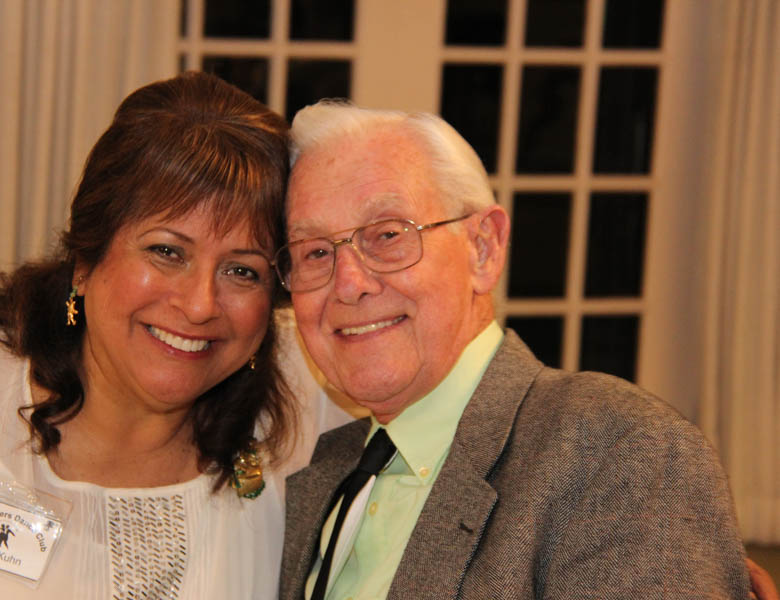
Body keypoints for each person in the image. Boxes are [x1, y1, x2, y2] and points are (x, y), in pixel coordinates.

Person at [0, 72, 347, 599]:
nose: (199, 306)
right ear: (85, 259)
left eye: (242, 271)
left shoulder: (303, 421)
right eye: (166, 252)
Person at [276, 100, 753, 599]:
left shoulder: (618, 454)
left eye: (388, 235)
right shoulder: (330, 469)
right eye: (315, 252)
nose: (348, 284)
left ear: (483, 248)